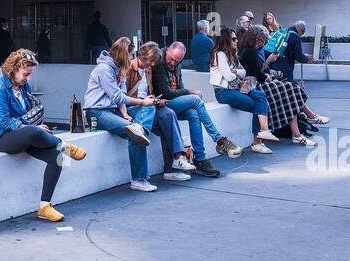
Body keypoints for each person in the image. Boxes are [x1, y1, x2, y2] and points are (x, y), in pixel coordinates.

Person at [0, 49, 85, 222]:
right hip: (1, 137)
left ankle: (44, 207)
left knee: (57, 157)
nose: (28, 78)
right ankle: (64, 144)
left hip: (23, 134)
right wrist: (32, 128)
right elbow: (4, 122)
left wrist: (36, 127)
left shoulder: (25, 87)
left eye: (30, 74)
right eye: (25, 74)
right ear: (13, 69)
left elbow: (27, 115)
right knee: (34, 131)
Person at [82, 39, 178, 192]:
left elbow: (121, 95)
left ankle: (140, 130)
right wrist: (141, 103)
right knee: (135, 128)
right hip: (97, 112)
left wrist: (125, 113)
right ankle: (139, 179)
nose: (133, 58)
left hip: (114, 110)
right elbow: (118, 97)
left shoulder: (119, 68)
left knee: (149, 109)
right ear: (122, 54)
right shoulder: (104, 70)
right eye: (131, 55)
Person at [151, 41, 243, 176]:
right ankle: (219, 140)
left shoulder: (177, 62)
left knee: (194, 114)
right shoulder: (159, 61)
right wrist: (190, 91)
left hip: (173, 103)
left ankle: (200, 159)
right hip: (162, 104)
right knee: (196, 99)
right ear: (167, 51)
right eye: (171, 59)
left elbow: (179, 87)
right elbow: (165, 92)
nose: (173, 63)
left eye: (177, 61)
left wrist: (186, 91)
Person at [132, 42, 199, 182]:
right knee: (191, 104)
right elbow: (123, 96)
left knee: (169, 114)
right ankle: (175, 165)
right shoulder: (129, 69)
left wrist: (156, 100)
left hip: (150, 106)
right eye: (151, 62)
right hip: (137, 107)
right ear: (144, 57)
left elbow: (151, 93)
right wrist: (144, 102)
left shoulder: (148, 70)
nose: (152, 66)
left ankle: (177, 161)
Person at [209, 30, 279, 154]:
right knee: (255, 105)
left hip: (237, 88)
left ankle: (264, 130)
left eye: (236, 38)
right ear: (225, 40)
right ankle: (257, 142)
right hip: (224, 92)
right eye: (234, 39)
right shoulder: (219, 54)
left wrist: (234, 71)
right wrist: (236, 72)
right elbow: (229, 76)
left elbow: (244, 72)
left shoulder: (232, 54)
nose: (237, 41)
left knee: (260, 95)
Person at [242, 25, 313, 146]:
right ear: (257, 39)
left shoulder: (253, 51)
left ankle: (302, 125)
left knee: (290, 89)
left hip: (257, 84)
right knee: (290, 90)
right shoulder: (250, 51)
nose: (265, 43)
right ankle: (305, 122)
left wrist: (269, 73)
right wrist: (268, 69)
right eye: (263, 40)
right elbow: (257, 73)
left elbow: (258, 70)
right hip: (256, 85)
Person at [262, 18, 329, 127]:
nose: (302, 35)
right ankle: (310, 116)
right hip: (285, 69)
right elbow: (299, 56)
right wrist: (307, 58)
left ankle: (303, 116)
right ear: (301, 30)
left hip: (274, 66)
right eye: (303, 33)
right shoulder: (295, 37)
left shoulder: (284, 32)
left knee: (286, 95)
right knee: (291, 93)